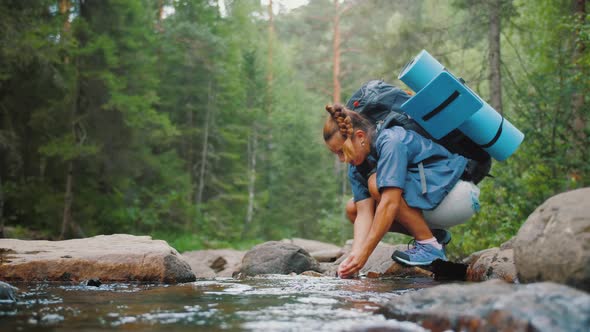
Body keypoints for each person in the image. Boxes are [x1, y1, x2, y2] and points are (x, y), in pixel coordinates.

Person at [322, 103, 481, 278]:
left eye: (342, 152)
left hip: (459, 195)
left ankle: (429, 245)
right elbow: (363, 213)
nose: (342, 159)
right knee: (352, 209)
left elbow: (390, 203)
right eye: (337, 154)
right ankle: (434, 237)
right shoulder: (357, 166)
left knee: (376, 184)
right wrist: (355, 259)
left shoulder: (391, 141)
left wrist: (365, 254)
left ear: (360, 136)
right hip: (431, 200)